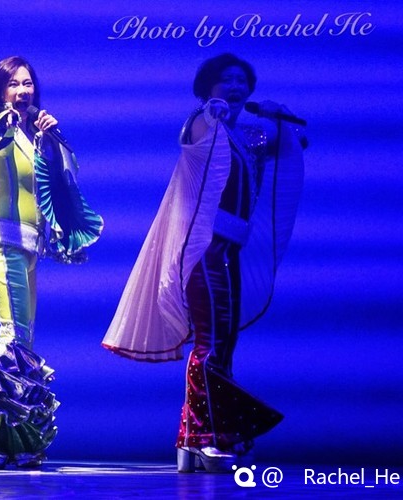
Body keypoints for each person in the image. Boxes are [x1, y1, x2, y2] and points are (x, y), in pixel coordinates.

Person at [102, 53, 306, 472]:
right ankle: (205, 437)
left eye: (242, 80)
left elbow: (296, 144)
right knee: (210, 344)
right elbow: (200, 130)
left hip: (228, 252)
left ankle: (194, 437)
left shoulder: (243, 137)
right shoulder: (203, 123)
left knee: (224, 345)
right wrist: (214, 112)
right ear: (208, 87)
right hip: (204, 250)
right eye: (226, 79)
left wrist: (280, 118)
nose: (235, 86)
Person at [0, 56, 103, 468]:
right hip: (2, 246)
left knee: (22, 346)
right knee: (13, 339)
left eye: (27, 83)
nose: (23, 90)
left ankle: (14, 439)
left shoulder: (34, 135)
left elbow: (64, 186)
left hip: (29, 250)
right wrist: (4, 123)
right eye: (13, 83)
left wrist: (54, 139)